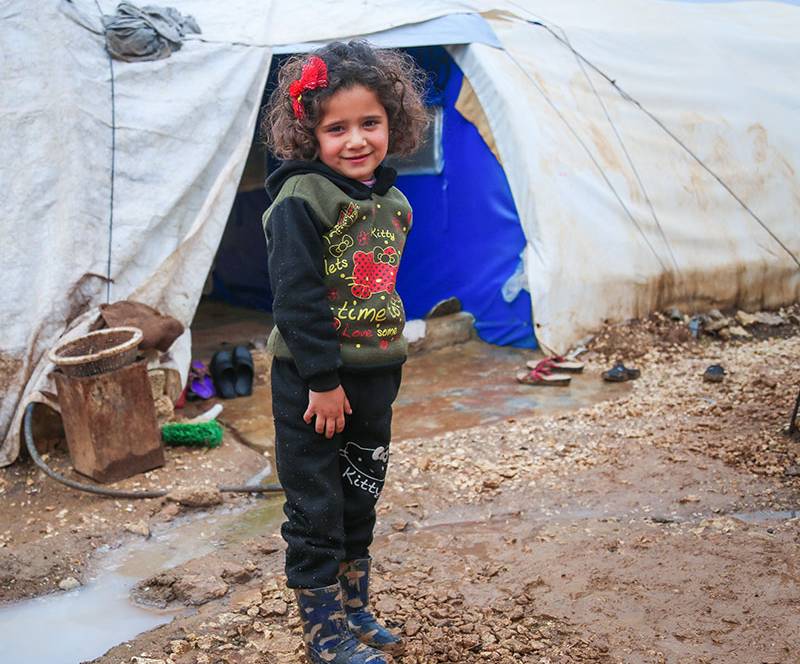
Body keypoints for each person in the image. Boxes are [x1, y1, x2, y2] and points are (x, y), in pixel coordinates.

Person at [262, 41, 428, 664]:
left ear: (393, 123)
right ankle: (323, 633)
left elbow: (375, 290)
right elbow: (297, 299)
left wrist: (385, 358)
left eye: (369, 123)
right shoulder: (302, 199)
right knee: (316, 504)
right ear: (310, 133)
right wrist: (322, 380)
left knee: (360, 493)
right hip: (312, 383)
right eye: (336, 128)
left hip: (375, 374)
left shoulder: (394, 203)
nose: (356, 140)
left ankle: (354, 608)